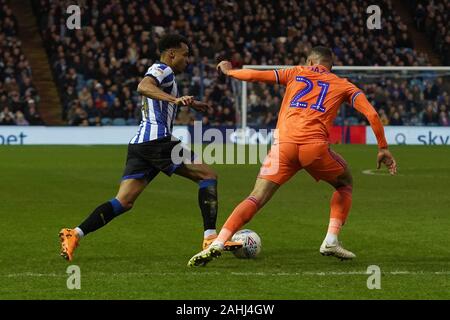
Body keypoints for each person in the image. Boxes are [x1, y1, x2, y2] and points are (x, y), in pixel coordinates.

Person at [188, 46, 397, 266]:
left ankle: (218, 242)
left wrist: (230, 72)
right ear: (330, 65)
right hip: (313, 148)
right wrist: (382, 147)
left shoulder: (296, 72)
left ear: (309, 61)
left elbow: (254, 75)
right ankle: (331, 239)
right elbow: (372, 114)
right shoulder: (343, 84)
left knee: (256, 197)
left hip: (282, 146)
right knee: (345, 183)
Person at [59, 34, 241, 261]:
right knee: (208, 175)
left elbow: (156, 95)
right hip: (157, 141)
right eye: (185, 55)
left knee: (123, 201)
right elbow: (143, 86)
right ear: (171, 54)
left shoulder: (168, 77)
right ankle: (210, 237)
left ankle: (74, 233)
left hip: (140, 145)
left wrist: (191, 103)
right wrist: (174, 101)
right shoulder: (162, 69)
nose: (188, 60)